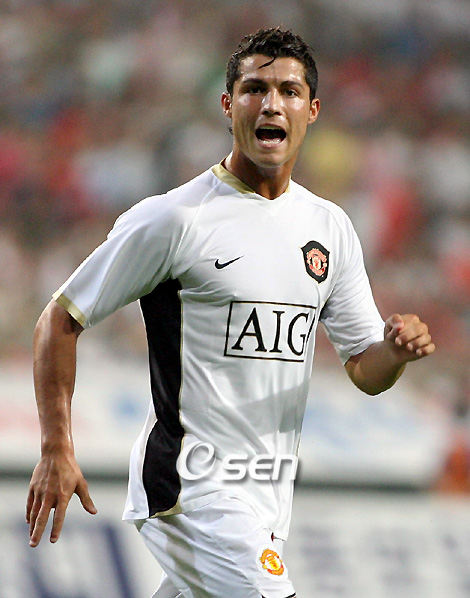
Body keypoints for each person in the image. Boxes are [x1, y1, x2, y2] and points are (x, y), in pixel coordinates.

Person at [27, 28, 435, 598]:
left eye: (289, 91)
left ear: (312, 110)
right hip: (188, 489)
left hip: (266, 497)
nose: (271, 104)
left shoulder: (330, 228)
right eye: (254, 89)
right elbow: (60, 319)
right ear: (228, 104)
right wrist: (56, 447)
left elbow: (366, 370)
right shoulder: (175, 219)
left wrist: (394, 351)